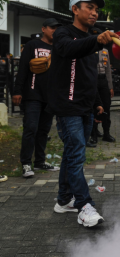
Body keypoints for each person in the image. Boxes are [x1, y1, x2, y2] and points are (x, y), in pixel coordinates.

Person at [48, 0, 118, 227]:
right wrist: (97, 41)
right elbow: (69, 50)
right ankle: (84, 205)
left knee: (71, 155)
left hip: (85, 106)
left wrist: (97, 102)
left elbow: (90, 76)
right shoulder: (64, 34)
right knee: (77, 153)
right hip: (67, 106)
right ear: (75, 9)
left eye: (96, 9)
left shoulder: (91, 39)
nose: (94, 12)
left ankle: (63, 200)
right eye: (89, 7)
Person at [13, 18, 61, 178]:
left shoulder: (58, 48)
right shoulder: (32, 45)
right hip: (32, 94)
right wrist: (17, 91)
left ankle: (39, 161)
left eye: (56, 28)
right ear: (44, 29)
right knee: (30, 128)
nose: (55, 30)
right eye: (52, 27)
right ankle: (26, 163)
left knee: (43, 131)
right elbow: (23, 69)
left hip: (50, 96)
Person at [89, 39, 116, 145]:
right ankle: (93, 134)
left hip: (103, 81)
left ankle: (106, 133)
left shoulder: (105, 51)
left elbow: (108, 70)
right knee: (94, 107)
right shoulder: (90, 50)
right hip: (93, 80)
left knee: (106, 107)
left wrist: (110, 86)